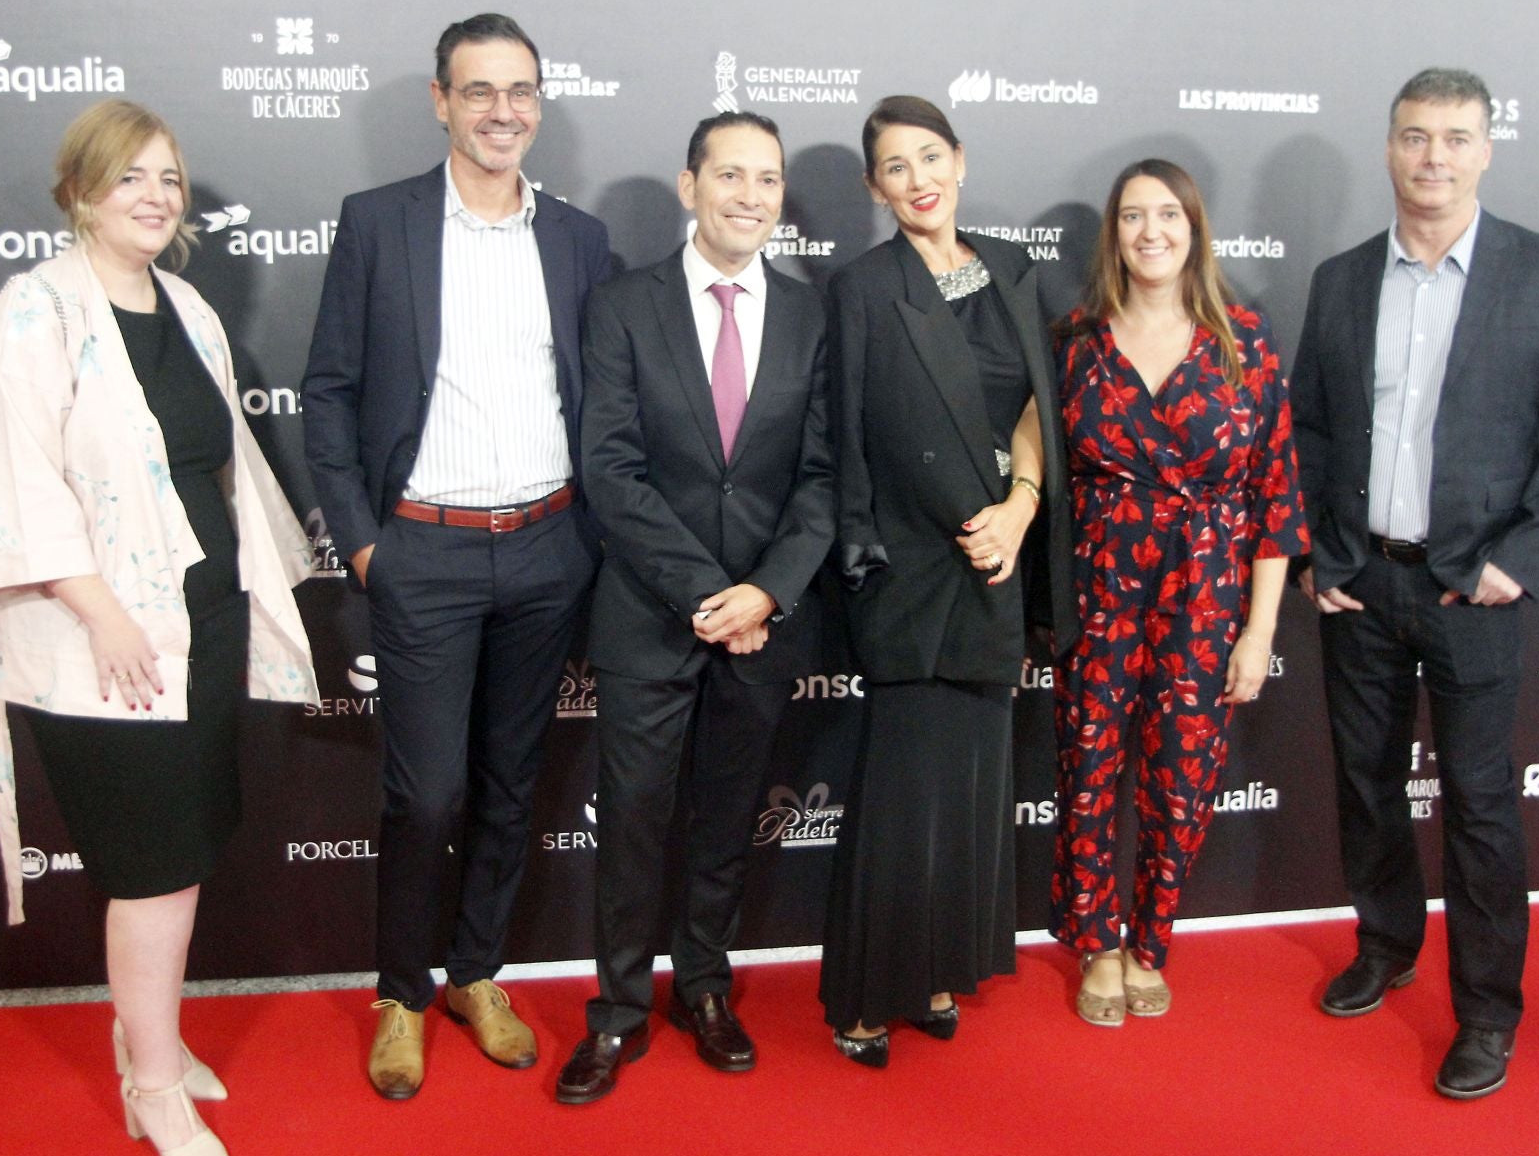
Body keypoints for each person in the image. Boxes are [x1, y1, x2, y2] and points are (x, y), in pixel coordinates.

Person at [0, 99, 319, 1156]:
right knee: (152, 864)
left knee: (180, 853)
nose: (157, 195)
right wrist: (104, 611)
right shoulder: (32, 312)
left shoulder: (189, 306)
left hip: (198, 624)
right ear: (78, 191)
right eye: (130, 178)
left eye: (169, 177)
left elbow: (222, 467)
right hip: (98, 645)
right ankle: (152, 1085)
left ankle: (144, 1036)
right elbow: (12, 485)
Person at [300, 12, 611, 1100]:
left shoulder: (578, 237)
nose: (502, 111)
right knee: (425, 793)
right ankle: (401, 989)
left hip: (546, 548)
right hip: (420, 556)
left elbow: (601, 397)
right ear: (440, 100)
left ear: (540, 100)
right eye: (479, 91)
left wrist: (585, 539)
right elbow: (329, 392)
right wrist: (366, 549)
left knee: (508, 783)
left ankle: (477, 972)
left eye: (520, 90)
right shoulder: (379, 223)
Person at [1292, 67, 1539, 1099]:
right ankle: (1385, 943)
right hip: (1362, 585)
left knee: (1478, 805)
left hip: (1474, 589)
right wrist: (1318, 555)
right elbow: (1310, 427)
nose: (1434, 156)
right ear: (1390, 147)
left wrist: (1521, 557)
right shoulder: (1341, 279)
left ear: (1486, 149)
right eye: (1416, 136)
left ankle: (1487, 1011)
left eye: (1456, 137)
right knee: (1366, 785)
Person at [555, 112, 835, 1103]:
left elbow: (822, 475)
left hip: (764, 620)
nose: (749, 195)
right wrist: (707, 593)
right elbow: (611, 467)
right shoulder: (622, 306)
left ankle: (705, 987)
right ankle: (620, 1011)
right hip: (649, 614)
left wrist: (765, 590)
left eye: (767, 178)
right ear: (689, 186)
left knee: (724, 818)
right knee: (632, 819)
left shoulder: (810, 316)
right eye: (729, 174)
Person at [817, 96, 1073, 1067]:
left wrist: (1021, 508)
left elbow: (1033, 406)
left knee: (969, 788)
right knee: (898, 795)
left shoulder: (1011, 268)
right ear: (875, 187)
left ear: (961, 161)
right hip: (907, 571)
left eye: (931, 156)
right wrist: (860, 555)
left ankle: (932, 969)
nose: (918, 177)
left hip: (994, 560)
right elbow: (845, 442)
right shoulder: (863, 286)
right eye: (895, 166)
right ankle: (859, 993)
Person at [1049, 159, 1309, 1027]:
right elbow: (1036, 464)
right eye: (1132, 216)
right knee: (1089, 769)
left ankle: (1150, 941)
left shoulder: (1244, 337)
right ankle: (1095, 945)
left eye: (1168, 214)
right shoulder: (1077, 340)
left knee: (1183, 778)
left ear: (1195, 227)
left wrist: (1259, 630)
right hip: (1100, 594)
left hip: (1206, 597)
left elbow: (1276, 493)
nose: (1150, 231)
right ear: (1112, 234)